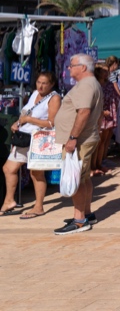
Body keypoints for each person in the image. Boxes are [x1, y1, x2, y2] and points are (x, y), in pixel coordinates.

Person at [52, 54, 104, 235]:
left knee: (77, 179)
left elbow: (83, 112)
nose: (68, 68)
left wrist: (73, 137)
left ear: (82, 68)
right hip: (85, 138)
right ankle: (87, 214)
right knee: (84, 178)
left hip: (79, 140)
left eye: (71, 65)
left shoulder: (86, 85)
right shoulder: (90, 84)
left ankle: (80, 219)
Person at [1, 72, 59, 219]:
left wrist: (29, 120)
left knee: (36, 173)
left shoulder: (54, 98)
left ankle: (39, 206)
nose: (40, 85)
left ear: (51, 84)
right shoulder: (34, 94)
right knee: (9, 168)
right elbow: (25, 113)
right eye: (39, 82)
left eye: (44, 83)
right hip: (24, 137)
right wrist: (19, 122)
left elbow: (52, 122)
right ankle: (9, 200)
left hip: (39, 139)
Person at [93, 65, 120, 175]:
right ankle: (95, 165)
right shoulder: (94, 84)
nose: (105, 73)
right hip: (99, 115)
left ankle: (101, 162)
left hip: (109, 113)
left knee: (104, 140)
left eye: (106, 71)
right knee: (98, 142)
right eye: (103, 71)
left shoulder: (109, 84)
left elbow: (116, 97)